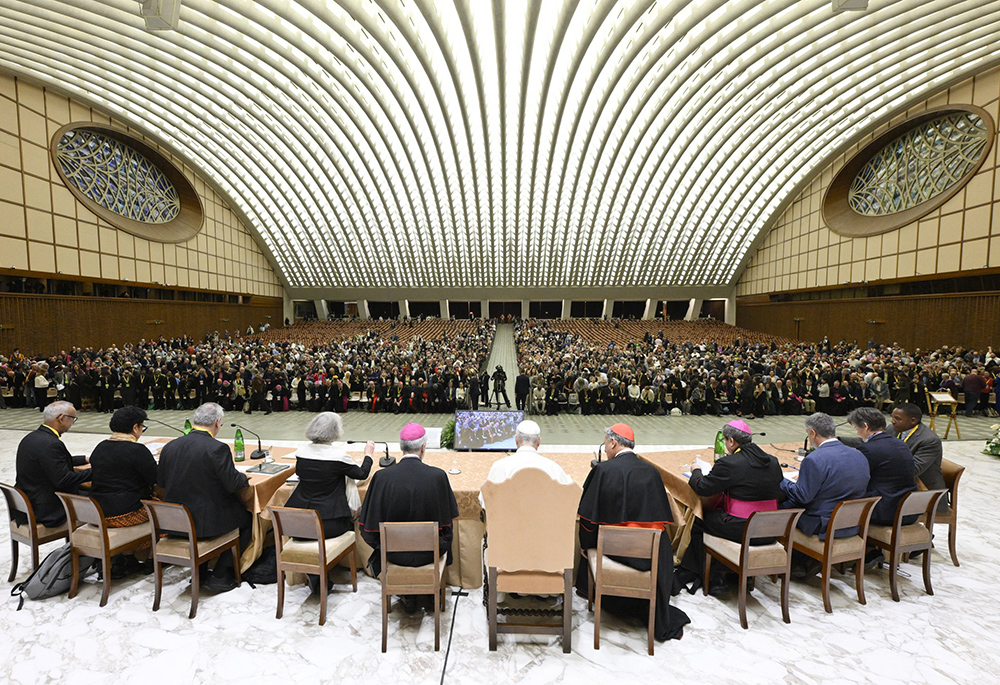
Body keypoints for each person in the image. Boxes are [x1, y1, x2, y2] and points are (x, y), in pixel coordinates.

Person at [576, 423, 690, 642]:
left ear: (613, 442)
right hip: (652, 554)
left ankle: (600, 597)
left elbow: (588, 520)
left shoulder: (602, 470)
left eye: (606, 443)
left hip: (615, 551)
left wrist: (585, 545)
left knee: (590, 542)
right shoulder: (652, 471)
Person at [358, 423, 459, 613]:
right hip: (430, 552)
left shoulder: (381, 477)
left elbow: (367, 528)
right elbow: (447, 525)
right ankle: (430, 591)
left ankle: (408, 595)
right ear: (423, 448)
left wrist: (384, 547)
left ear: (401, 447)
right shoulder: (437, 476)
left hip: (393, 553)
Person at [676, 419, 784, 594]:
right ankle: (741, 575)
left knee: (701, 519)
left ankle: (713, 578)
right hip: (770, 529)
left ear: (731, 441)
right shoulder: (772, 460)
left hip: (745, 528)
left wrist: (696, 470)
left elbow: (702, 487)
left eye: (725, 441)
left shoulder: (730, 463)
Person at [157, 402, 250, 592]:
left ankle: (201, 570)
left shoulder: (170, 446)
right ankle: (221, 574)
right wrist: (242, 477)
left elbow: (162, 483)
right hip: (204, 524)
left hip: (174, 522)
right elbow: (233, 484)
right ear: (217, 423)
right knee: (248, 517)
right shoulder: (217, 448)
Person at [285, 412, 374, 592]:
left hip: (298, 523)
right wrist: (368, 455)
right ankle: (332, 568)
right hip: (328, 524)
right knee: (351, 522)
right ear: (335, 431)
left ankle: (316, 575)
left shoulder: (301, 453)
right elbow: (361, 474)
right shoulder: (338, 456)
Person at [87, 406, 158, 578]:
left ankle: (127, 558)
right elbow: (156, 478)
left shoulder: (100, 447)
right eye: (142, 427)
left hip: (97, 512)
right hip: (125, 515)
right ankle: (151, 559)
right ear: (135, 427)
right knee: (164, 509)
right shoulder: (137, 450)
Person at [780, 413, 869, 539]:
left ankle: (789, 556)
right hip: (853, 523)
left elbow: (802, 496)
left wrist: (781, 480)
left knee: (779, 509)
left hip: (824, 525)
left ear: (813, 433)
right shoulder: (858, 454)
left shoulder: (813, 459)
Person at [14, 401, 91, 528]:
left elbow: (54, 461)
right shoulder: (51, 444)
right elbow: (64, 480)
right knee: (104, 499)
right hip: (48, 508)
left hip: (31, 499)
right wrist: (95, 471)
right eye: (73, 418)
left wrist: (85, 459)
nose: (73, 422)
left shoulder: (32, 437)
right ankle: (93, 544)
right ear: (61, 418)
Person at [842, 407, 916, 527]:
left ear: (865, 426)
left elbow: (854, 480)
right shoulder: (901, 444)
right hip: (909, 510)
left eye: (857, 429)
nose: (857, 433)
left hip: (884, 512)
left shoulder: (868, 450)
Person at [478, 420, 572, 507]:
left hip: (508, 524)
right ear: (539, 442)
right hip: (544, 523)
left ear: (516, 440)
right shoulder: (554, 468)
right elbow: (567, 498)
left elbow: (484, 501)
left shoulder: (499, 467)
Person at [890, 403, 948, 512]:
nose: (893, 421)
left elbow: (913, 469)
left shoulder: (929, 440)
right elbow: (874, 443)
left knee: (876, 506)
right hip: (901, 486)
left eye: (897, 418)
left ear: (913, 421)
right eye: (892, 417)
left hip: (925, 494)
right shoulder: (893, 429)